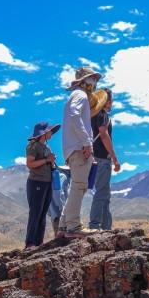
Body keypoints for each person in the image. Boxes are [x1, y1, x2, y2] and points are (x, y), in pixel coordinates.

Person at [58, 66, 100, 238]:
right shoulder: (80, 95)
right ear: (84, 81)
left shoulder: (74, 96)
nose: (95, 83)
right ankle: (74, 227)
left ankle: (63, 226)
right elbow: (75, 116)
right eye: (92, 79)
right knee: (79, 186)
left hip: (73, 148)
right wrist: (87, 142)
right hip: (79, 148)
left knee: (77, 187)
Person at [24, 122, 60, 248]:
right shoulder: (33, 146)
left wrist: (51, 161)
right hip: (36, 182)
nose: (51, 133)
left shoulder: (47, 148)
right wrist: (46, 160)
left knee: (43, 212)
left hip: (47, 182)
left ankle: (39, 242)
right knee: (35, 212)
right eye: (49, 131)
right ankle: (30, 243)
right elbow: (30, 164)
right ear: (43, 133)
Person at [89, 88, 121, 230]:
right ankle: (95, 225)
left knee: (104, 193)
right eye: (111, 100)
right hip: (102, 158)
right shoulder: (102, 115)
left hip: (93, 158)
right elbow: (103, 134)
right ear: (107, 101)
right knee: (102, 191)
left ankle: (106, 226)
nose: (111, 103)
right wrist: (114, 157)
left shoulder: (91, 115)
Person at [48, 167, 70, 238]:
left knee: (58, 239)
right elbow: (58, 193)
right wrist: (63, 208)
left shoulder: (53, 176)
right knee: (64, 239)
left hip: (54, 215)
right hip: (61, 215)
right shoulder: (63, 176)